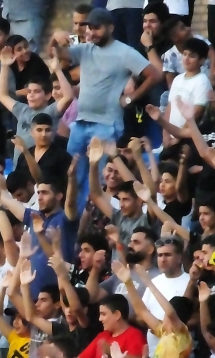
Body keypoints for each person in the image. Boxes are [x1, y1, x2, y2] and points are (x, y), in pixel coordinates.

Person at [50, 8, 161, 212]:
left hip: (107, 125)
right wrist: (55, 38)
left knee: (100, 180)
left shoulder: (125, 52)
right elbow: (56, 54)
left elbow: (155, 74)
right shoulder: (85, 49)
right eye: (90, 28)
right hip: (80, 123)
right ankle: (72, 218)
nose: (92, 32)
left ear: (110, 27)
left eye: (96, 28)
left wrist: (131, 97)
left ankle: (95, 220)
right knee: (71, 176)